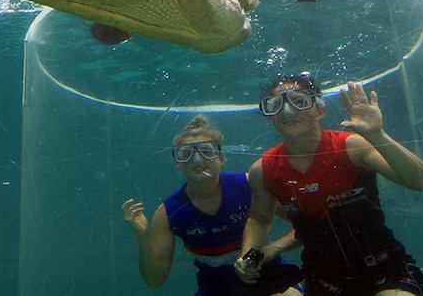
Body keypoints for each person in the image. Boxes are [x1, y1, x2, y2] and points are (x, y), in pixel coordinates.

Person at [235, 73, 423, 296]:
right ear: (270, 118)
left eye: (299, 101)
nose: (288, 110)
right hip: (323, 280)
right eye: (276, 105)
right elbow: (259, 219)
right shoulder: (264, 169)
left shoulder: (350, 147)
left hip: (386, 273)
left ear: (320, 111)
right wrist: (248, 254)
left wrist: (377, 135)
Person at [122, 114, 304, 296]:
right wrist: (142, 236)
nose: (198, 160)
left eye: (206, 152)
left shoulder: (249, 186)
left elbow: (308, 228)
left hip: (270, 277)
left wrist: (272, 249)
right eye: (186, 154)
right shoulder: (169, 212)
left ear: (221, 158)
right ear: (178, 163)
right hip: (216, 288)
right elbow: (155, 280)